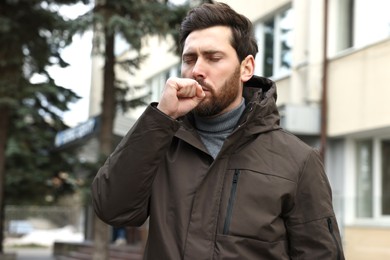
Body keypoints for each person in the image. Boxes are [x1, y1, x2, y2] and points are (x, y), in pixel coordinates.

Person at [92, 2, 345, 259]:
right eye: (189, 59)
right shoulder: (159, 142)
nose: (197, 70)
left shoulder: (298, 160)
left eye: (213, 58)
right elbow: (112, 209)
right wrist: (161, 117)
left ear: (246, 68)